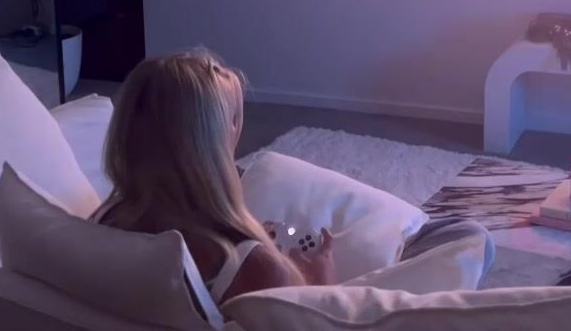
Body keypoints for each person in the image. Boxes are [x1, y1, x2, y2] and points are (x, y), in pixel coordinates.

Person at [93, 49, 495, 307]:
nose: (238, 132)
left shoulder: (102, 225)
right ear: (210, 144)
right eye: (233, 121)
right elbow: (317, 320)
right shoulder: (256, 267)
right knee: (466, 237)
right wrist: (320, 283)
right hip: (319, 302)